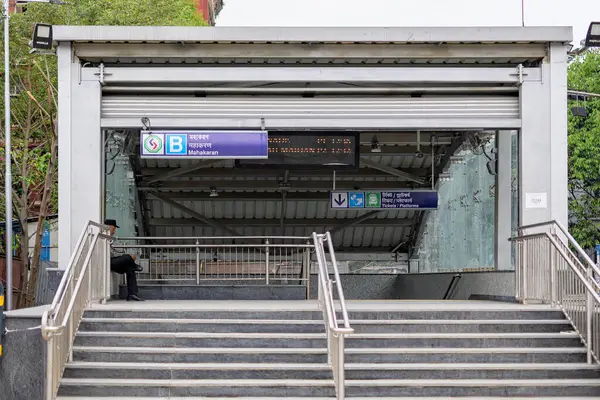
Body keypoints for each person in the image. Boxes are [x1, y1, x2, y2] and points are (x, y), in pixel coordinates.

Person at [105, 219, 143, 301]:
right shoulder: (102, 238)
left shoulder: (110, 239)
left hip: (113, 262)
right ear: (108, 227)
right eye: (113, 229)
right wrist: (128, 257)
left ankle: (132, 294)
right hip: (107, 262)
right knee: (128, 258)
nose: (114, 231)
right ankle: (134, 265)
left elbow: (116, 253)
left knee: (130, 268)